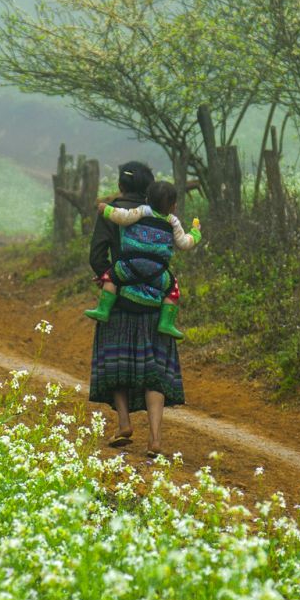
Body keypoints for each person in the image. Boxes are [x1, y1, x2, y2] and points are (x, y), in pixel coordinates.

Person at [87, 161, 186, 460]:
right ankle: (155, 439)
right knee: (153, 370)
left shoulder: (119, 213)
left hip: (119, 301)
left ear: (120, 184)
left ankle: (124, 424)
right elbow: (181, 244)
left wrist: (111, 279)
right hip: (156, 301)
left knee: (118, 363)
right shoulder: (161, 214)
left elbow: (96, 255)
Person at [83, 179, 202, 338]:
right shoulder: (173, 222)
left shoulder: (142, 211)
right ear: (174, 206)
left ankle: (103, 309)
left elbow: (122, 217)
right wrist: (195, 233)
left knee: (110, 277)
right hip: (157, 272)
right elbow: (184, 243)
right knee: (172, 289)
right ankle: (166, 323)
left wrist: (106, 210)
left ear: (147, 199)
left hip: (130, 265)